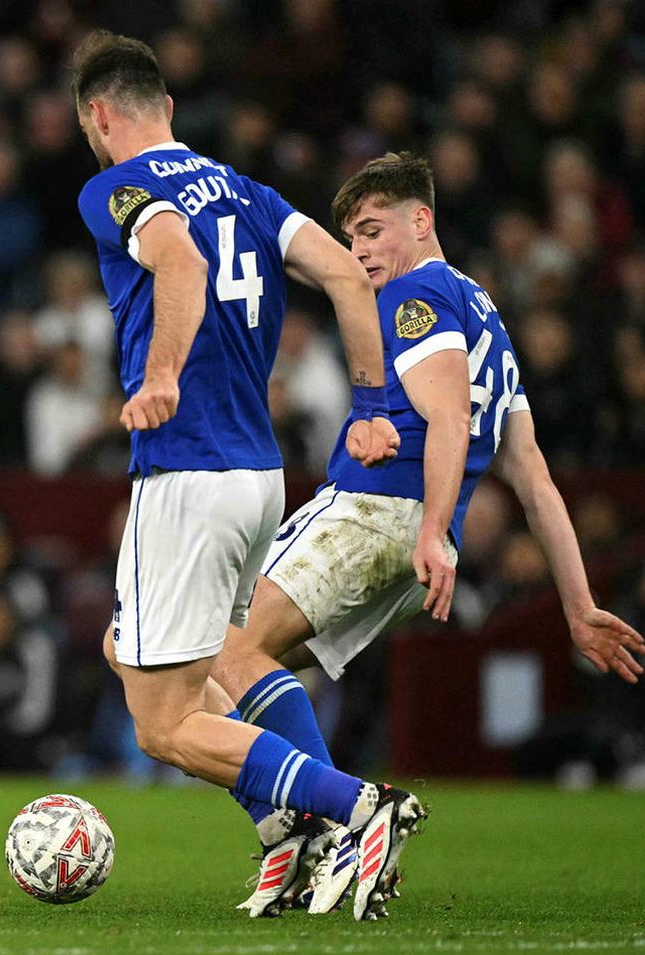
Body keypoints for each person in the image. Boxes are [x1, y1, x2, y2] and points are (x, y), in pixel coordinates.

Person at [210, 152, 645, 914]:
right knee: (238, 667)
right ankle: (313, 833)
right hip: (410, 540)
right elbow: (532, 472)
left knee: (218, 648)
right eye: (351, 237)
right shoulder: (484, 313)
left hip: (376, 514)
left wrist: (434, 531)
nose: (362, 250)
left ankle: (343, 821)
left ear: (423, 220)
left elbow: (447, 415)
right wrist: (578, 604)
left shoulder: (417, 294)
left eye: (374, 229)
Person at [72, 31, 424, 922]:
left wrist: (160, 376)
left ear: (99, 117)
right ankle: (295, 830)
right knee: (188, 654)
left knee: (160, 724)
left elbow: (180, 261)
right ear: (172, 110)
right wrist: (373, 402)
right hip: (260, 476)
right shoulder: (250, 191)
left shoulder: (117, 185)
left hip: (185, 473)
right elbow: (348, 276)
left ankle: (353, 808)